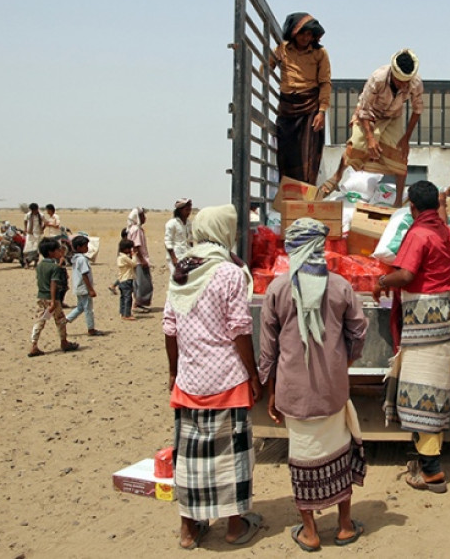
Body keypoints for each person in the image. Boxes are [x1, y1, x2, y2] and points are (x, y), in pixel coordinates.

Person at [258, 218, 368, 551]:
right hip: (333, 391)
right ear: (320, 247)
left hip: (294, 392)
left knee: (302, 458)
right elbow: (359, 332)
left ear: (293, 249)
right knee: (339, 451)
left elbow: (268, 349)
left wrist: (271, 390)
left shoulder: (277, 289)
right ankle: (345, 525)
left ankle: (310, 532)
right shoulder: (340, 286)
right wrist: (341, 364)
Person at [164, 204, 263, 550]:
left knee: (189, 456)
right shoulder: (229, 273)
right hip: (227, 380)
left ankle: (189, 530)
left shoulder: (181, 271)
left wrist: (175, 373)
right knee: (232, 456)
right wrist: (252, 374)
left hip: (190, 382)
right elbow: (240, 329)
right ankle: (234, 526)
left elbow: (169, 329)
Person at [375, 181, 450, 493]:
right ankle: (427, 459)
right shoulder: (446, 232)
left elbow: (407, 275)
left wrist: (381, 280)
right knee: (436, 388)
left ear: (412, 208)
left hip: (422, 315)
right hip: (443, 312)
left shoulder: (418, 233)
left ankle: (432, 470)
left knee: (420, 390)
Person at [317, 49, 423, 207]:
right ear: (393, 74)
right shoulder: (378, 78)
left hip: (394, 116)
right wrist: (370, 138)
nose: (403, 85)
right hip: (370, 113)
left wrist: (406, 138)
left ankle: (397, 202)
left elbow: (417, 110)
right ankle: (337, 176)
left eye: (405, 82)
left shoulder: (415, 83)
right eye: (399, 81)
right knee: (357, 146)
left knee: (400, 156)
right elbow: (364, 110)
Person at [268, 12, 331, 184]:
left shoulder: (320, 53)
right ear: (294, 33)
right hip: (287, 107)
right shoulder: (282, 49)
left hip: (310, 106)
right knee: (286, 152)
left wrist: (322, 111)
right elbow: (264, 68)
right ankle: (288, 196)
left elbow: (325, 83)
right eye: (302, 33)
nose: (305, 37)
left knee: (308, 154)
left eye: (309, 34)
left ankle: (305, 196)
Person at [28, 238, 79, 357]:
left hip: (41, 297)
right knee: (60, 320)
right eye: (57, 250)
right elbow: (53, 283)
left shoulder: (40, 265)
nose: (60, 252)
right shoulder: (54, 267)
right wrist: (53, 301)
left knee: (40, 321)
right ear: (51, 252)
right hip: (52, 298)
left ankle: (33, 344)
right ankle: (64, 342)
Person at [65, 235, 102, 336]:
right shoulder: (82, 259)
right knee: (88, 309)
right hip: (84, 288)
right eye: (85, 246)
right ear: (78, 248)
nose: (87, 248)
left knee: (80, 307)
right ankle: (91, 329)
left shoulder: (76, 259)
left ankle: (65, 320)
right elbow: (84, 274)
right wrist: (90, 289)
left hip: (79, 287)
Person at [125, 207, 153, 311]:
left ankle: (138, 303)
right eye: (142, 216)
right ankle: (137, 304)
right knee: (143, 283)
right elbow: (136, 246)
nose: (144, 218)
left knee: (138, 283)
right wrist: (142, 260)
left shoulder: (133, 229)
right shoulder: (136, 230)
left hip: (135, 260)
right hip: (139, 260)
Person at [164, 198, 193, 271]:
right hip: (176, 256)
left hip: (187, 256)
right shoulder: (172, 223)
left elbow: (190, 240)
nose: (189, 212)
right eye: (186, 210)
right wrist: (174, 259)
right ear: (180, 210)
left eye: (190, 210)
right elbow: (168, 242)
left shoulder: (189, 223)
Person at [116, 239, 137, 321]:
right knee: (128, 298)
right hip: (127, 279)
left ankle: (122, 312)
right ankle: (127, 314)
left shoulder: (120, 257)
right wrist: (134, 255)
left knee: (123, 297)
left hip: (121, 280)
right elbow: (133, 264)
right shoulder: (124, 257)